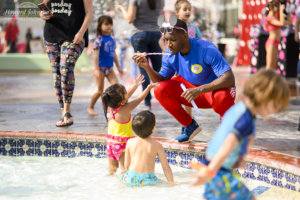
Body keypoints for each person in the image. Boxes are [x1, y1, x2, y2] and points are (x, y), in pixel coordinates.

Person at [190, 69, 290, 200]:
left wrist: (238, 159)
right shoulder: (245, 119)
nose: (276, 110)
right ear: (265, 97)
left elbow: (223, 134)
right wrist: (210, 171)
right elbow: (228, 143)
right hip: (218, 170)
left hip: (212, 163)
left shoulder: (238, 109)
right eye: (276, 105)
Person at [133, 18, 236, 143]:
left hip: (214, 91)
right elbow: (161, 80)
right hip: (194, 92)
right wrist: (146, 66)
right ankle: (189, 126)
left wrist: (200, 89)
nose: (169, 44)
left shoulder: (206, 49)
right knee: (160, 89)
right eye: (166, 40)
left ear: (185, 36)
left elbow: (229, 79)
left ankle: (228, 129)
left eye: (173, 40)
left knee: (222, 97)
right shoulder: (170, 54)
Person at [40, 0, 93, 127]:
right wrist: (42, 14)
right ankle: (63, 112)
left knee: (65, 67)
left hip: (75, 36)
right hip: (51, 34)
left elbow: (90, 13)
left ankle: (67, 111)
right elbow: (44, 8)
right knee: (56, 75)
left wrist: (81, 33)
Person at [101, 75, 157, 175]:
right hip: (122, 146)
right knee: (125, 170)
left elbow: (125, 97)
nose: (127, 93)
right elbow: (139, 99)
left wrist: (135, 85)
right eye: (125, 93)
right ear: (122, 101)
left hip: (110, 144)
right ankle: (122, 186)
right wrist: (148, 88)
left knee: (111, 169)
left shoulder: (112, 107)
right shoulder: (125, 109)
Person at [115, 0, 164, 110]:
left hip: (139, 35)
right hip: (156, 34)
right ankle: (165, 96)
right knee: (159, 69)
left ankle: (147, 102)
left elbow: (129, 18)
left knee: (144, 69)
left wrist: (122, 9)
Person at [120, 110, 174, 186]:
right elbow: (166, 167)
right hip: (148, 179)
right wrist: (171, 182)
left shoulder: (130, 142)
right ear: (154, 127)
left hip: (131, 177)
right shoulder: (157, 145)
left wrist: (125, 173)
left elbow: (126, 164)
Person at [87, 15, 124, 116]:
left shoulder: (112, 39)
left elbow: (114, 54)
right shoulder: (99, 40)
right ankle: (91, 106)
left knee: (116, 88)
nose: (109, 26)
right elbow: (95, 56)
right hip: (100, 68)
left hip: (110, 68)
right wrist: (96, 70)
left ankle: (111, 108)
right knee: (100, 91)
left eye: (110, 24)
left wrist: (119, 68)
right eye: (106, 24)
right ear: (100, 26)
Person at [175, 0, 202, 117]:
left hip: (192, 62)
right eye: (184, 9)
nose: (187, 11)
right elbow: (166, 42)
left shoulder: (193, 27)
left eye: (189, 9)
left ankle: (188, 118)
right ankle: (186, 118)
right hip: (179, 62)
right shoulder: (174, 28)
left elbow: (200, 42)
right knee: (181, 89)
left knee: (189, 89)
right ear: (177, 12)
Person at [264, 0, 292, 70]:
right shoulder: (269, 18)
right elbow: (282, 23)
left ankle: (271, 80)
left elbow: (289, 22)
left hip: (276, 42)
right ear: (271, 7)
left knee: (274, 66)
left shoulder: (276, 18)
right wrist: (281, 11)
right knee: (269, 65)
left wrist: (286, 12)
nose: (278, 7)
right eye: (276, 6)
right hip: (271, 43)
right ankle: (265, 80)